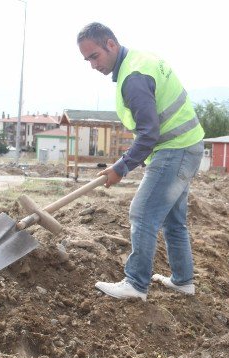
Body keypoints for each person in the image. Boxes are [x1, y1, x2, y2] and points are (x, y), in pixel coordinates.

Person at [77, 22, 205, 302]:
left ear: (111, 44)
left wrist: (120, 168)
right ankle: (183, 281)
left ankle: (135, 284)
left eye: (94, 56)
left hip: (175, 149)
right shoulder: (139, 61)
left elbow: (149, 133)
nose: (92, 65)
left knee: (142, 213)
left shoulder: (133, 76)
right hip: (188, 145)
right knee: (173, 221)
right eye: (86, 59)